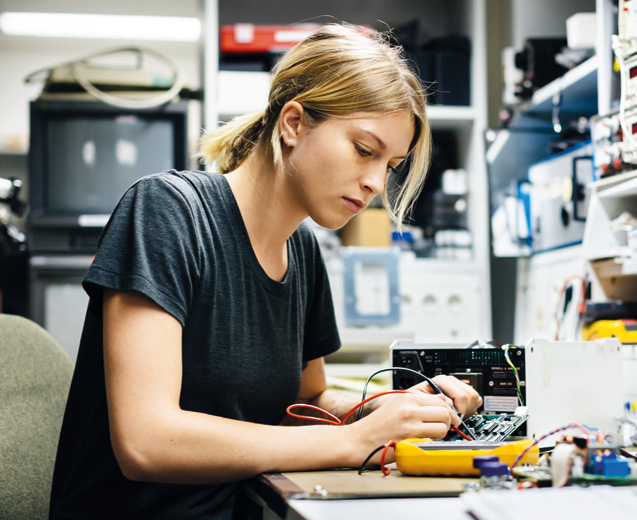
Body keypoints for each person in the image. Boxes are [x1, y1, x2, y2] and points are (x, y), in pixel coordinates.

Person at [49, 23, 482, 519]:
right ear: (293, 123)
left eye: (391, 165)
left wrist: (387, 408)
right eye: (365, 150)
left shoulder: (302, 250)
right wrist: (354, 441)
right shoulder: (167, 212)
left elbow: (305, 400)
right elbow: (147, 441)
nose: (375, 184)